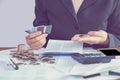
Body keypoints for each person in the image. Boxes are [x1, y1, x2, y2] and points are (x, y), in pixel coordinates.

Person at [26, 0, 120, 50]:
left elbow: (117, 37)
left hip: (98, 63)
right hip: (54, 62)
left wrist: (106, 40)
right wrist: (36, 41)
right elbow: (41, 31)